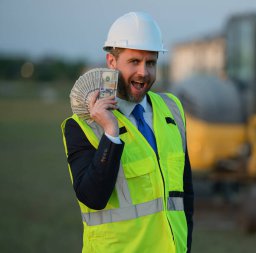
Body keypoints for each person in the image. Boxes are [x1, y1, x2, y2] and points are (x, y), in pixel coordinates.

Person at [61, 12, 193, 253]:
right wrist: (110, 132)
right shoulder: (82, 126)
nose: (143, 72)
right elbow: (93, 197)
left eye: (150, 62)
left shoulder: (172, 110)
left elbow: (185, 198)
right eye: (134, 62)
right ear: (111, 62)